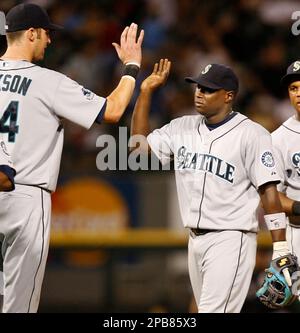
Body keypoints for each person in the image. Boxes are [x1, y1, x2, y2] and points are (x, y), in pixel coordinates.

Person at [0, 3, 143, 313]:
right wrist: (131, 67)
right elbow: (112, 110)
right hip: (26, 195)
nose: (50, 41)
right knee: (19, 305)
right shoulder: (47, 81)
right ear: (32, 33)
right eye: (47, 34)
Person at [131, 59, 294, 313]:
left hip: (231, 238)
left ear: (228, 96)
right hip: (195, 241)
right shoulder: (181, 127)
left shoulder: (252, 134)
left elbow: (269, 195)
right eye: (198, 87)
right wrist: (145, 92)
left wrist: (281, 250)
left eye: (208, 89)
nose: (199, 93)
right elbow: (139, 148)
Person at [272, 61, 300, 286]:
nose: (299, 94)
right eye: (293, 88)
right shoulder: (278, 138)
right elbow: (272, 197)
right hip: (297, 233)